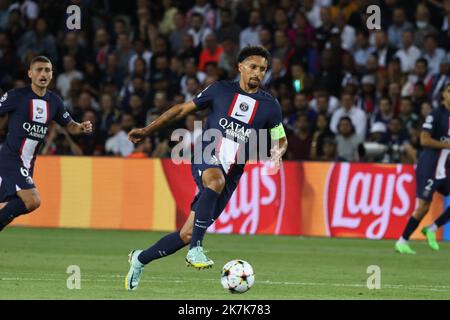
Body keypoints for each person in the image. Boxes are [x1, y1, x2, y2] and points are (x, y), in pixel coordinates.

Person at [124, 45, 288, 290]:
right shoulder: (220, 90)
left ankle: (140, 259)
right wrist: (147, 130)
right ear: (240, 67)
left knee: (187, 233)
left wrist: (277, 153)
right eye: (253, 67)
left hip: (232, 173)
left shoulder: (270, 106)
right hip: (206, 154)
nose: (257, 73)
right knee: (214, 182)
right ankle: (196, 251)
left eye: (262, 69)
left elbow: (281, 139)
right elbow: (181, 109)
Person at [0, 56, 92, 231]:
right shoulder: (16, 96)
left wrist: (81, 127)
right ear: (30, 73)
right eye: (39, 69)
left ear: (52, 75)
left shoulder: (55, 101)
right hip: (11, 159)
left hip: (28, 163)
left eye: (47, 70)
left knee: (20, 202)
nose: (43, 73)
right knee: (32, 200)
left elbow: (70, 126)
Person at [395, 83, 450, 254]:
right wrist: (447, 144)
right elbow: (424, 140)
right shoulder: (436, 114)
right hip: (430, 166)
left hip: (446, 168)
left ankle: (432, 228)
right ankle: (402, 241)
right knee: (424, 206)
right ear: (443, 94)